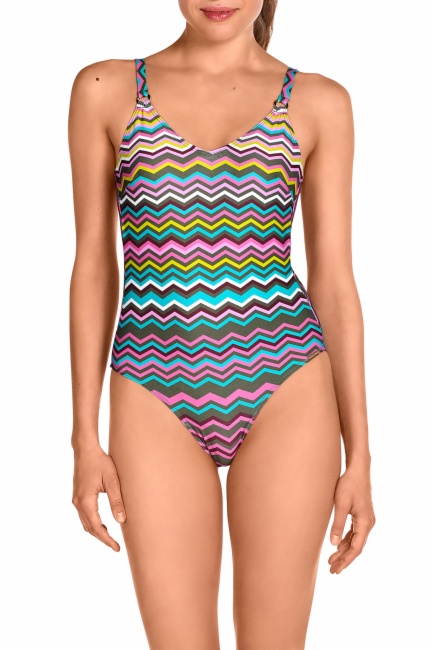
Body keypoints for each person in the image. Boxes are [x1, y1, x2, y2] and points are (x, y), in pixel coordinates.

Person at [68, 1, 376, 647]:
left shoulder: (319, 103)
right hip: (152, 391)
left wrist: (361, 457)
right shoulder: (105, 89)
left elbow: (334, 284)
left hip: (287, 387)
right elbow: (94, 266)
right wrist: (83, 438)